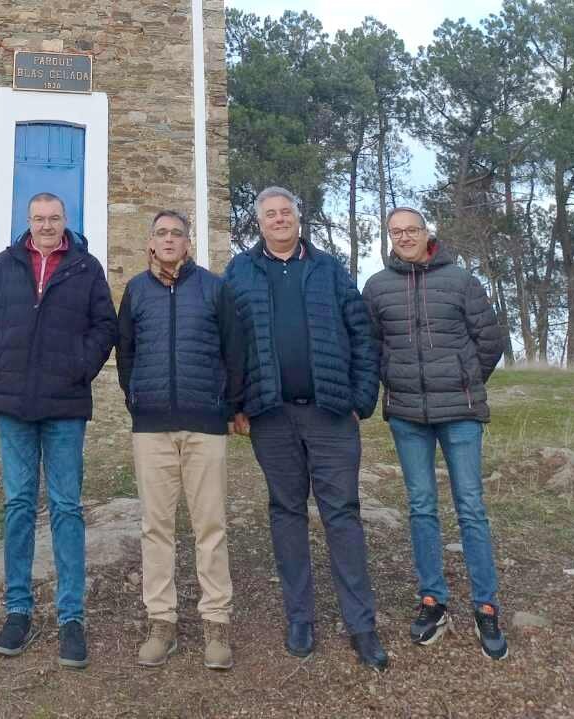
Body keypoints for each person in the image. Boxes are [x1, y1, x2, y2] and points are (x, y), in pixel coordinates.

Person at [224, 186, 387, 671]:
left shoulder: (330, 270)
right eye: (270, 214)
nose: (279, 220)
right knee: (286, 513)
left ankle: (361, 624)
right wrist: (236, 405)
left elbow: (363, 336)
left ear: (299, 218)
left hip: (331, 414)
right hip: (270, 415)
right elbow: (227, 343)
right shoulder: (239, 273)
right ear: (259, 223)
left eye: (286, 212)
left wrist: (360, 400)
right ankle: (300, 618)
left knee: (343, 514)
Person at [0, 192, 117, 669]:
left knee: (66, 507)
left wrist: (80, 366)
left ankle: (71, 617)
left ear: (65, 220)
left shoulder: (86, 268)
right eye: (39, 218)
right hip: (13, 402)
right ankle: (18, 610)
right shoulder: (5, 263)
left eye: (54, 218)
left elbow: (105, 326)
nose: (47, 225)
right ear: (28, 221)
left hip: (65, 405)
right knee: (17, 505)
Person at [362, 207, 509, 660]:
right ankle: (433, 600)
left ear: (428, 233)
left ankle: (485, 606)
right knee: (422, 507)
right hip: (407, 415)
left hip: (460, 413)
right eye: (396, 232)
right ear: (389, 238)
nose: (405, 237)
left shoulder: (461, 280)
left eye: (412, 229)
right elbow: (370, 346)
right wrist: (390, 381)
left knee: (471, 507)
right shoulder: (377, 287)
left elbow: (490, 339)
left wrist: (466, 380)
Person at [116, 210, 242, 670]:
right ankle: (161, 621)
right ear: (151, 242)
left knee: (210, 526)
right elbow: (125, 352)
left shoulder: (214, 288)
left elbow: (234, 351)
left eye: (177, 233)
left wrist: (227, 405)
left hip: (204, 423)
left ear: (188, 243)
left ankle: (216, 622)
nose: (169, 240)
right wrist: (137, 399)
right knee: (156, 527)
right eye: (161, 233)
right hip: (151, 426)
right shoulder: (136, 291)